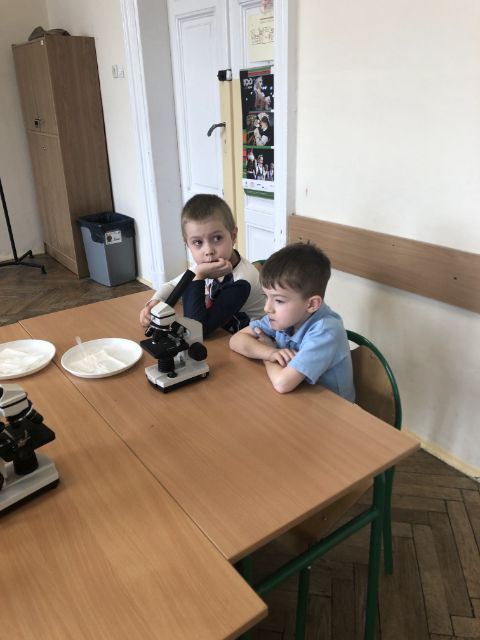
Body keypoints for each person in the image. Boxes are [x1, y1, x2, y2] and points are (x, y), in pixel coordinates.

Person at [229, 243, 355, 400]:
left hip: (331, 408)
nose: (267, 308)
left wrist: (268, 352)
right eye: (266, 296)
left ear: (311, 304)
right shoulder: (284, 317)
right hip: (298, 398)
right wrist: (270, 353)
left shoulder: (326, 330)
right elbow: (236, 340)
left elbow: (282, 383)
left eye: (279, 300)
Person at [139, 194, 265, 336]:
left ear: (233, 236)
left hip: (253, 341)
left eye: (217, 238)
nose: (208, 251)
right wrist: (154, 302)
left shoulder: (242, 281)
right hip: (224, 336)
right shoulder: (208, 265)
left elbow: (197, 329)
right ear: (187, 244)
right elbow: (173, 286)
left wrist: (198, 275)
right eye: (198, 242)